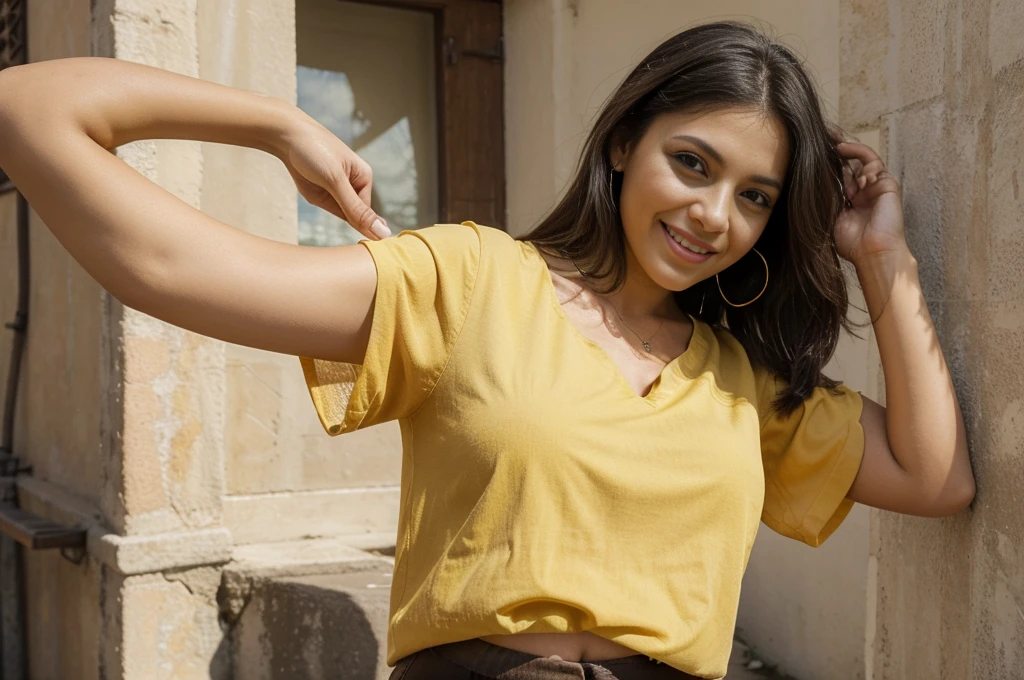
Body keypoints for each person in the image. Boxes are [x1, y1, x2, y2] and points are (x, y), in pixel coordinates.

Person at [0, 19, 974, 680]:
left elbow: (935, 476)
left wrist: (882, 262)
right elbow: (34, 114)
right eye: (693, 162)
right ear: (625, 142)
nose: (714, 214)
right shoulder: (464, 279)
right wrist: (277, 122)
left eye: (754, 195)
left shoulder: (742, 380)